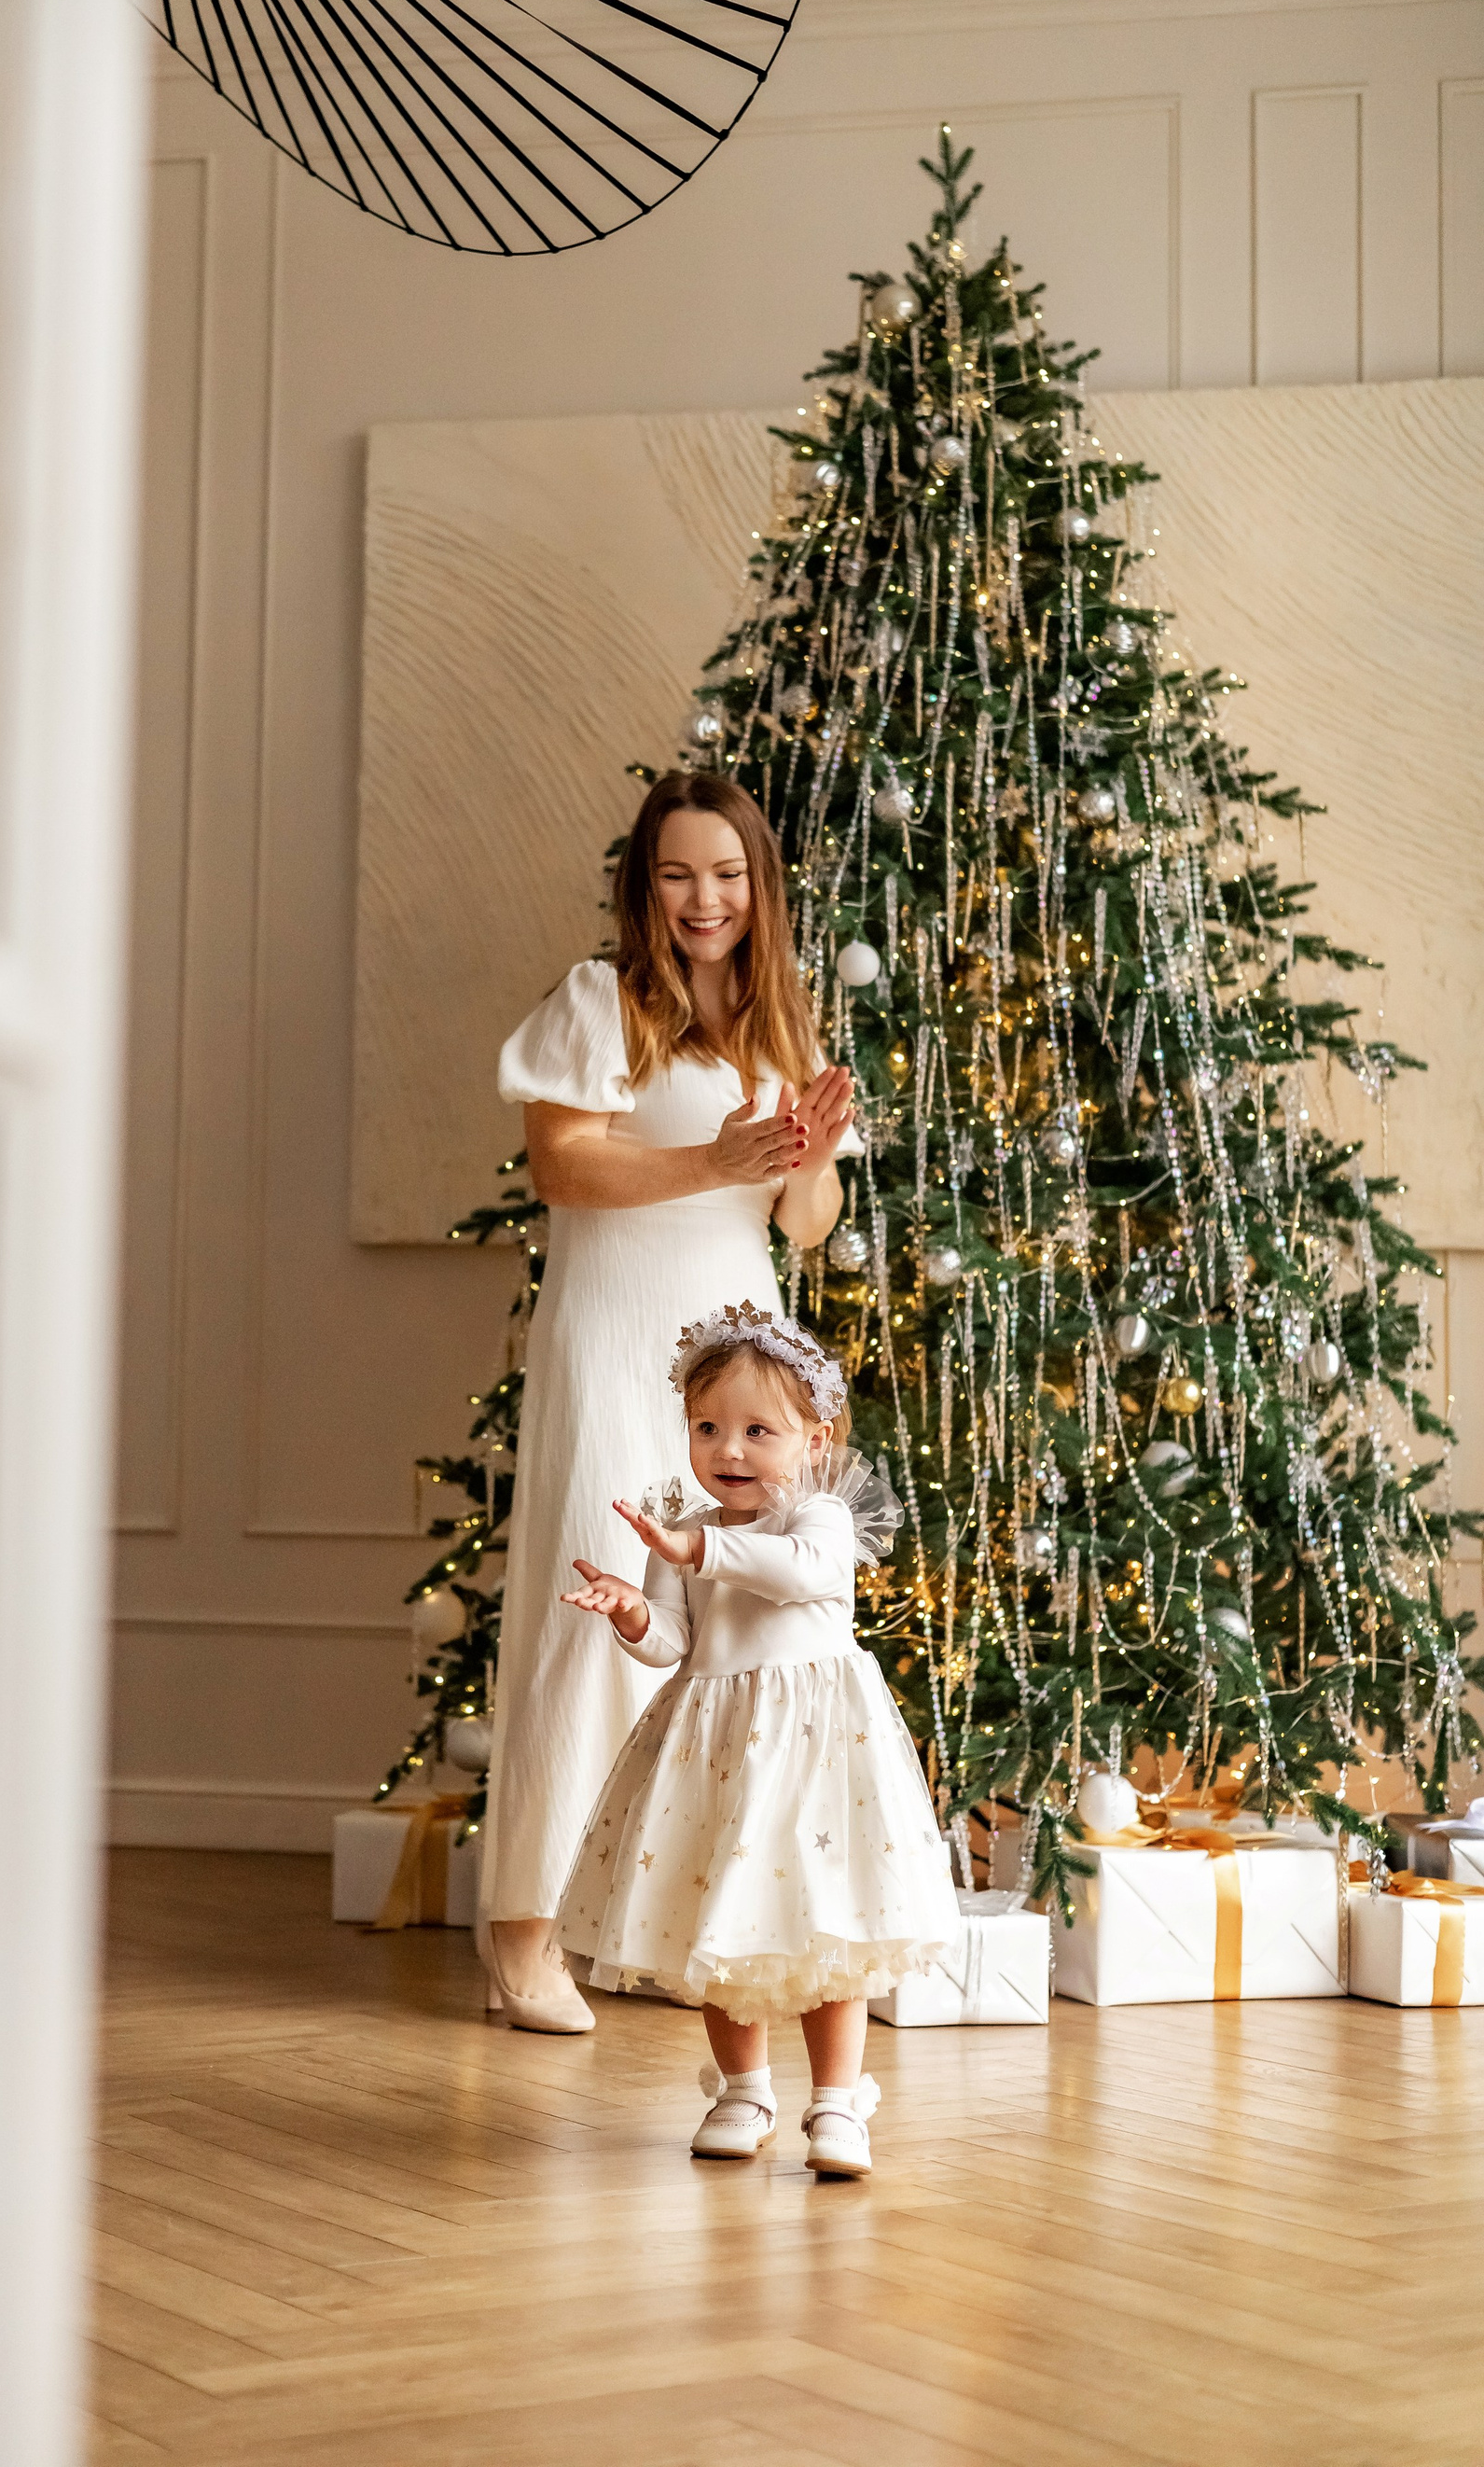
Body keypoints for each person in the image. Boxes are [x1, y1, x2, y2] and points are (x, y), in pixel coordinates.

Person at [479, 772, 856, 2030]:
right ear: (646, 884)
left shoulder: (782, 1026)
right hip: (613, 1335)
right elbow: (561, 1167)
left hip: (738, 1350)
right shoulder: (601, 1001)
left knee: (716, 1619)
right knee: (592, 1602)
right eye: (679, 873)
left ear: (760, 887)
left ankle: (645, 1927)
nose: (705, 899)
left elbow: (805, 1222)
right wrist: (715, 1157)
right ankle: (522, 1937)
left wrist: (806, 1160)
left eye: (728, 874)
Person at [554, 1305, 961, 2176]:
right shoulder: (686, 1531)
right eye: (706, 1428)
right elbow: (673, 1639)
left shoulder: (818, 1519)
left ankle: (837, 2104)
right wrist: (633, 1611)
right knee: (718, 1915)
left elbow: (803, 1576)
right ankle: (743, 2091)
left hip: (817, 1751)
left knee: (827, 1926)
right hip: (717, 1747)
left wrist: (697, 1550)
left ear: (814, 1441)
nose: (727, 1449)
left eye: (755, 1431)